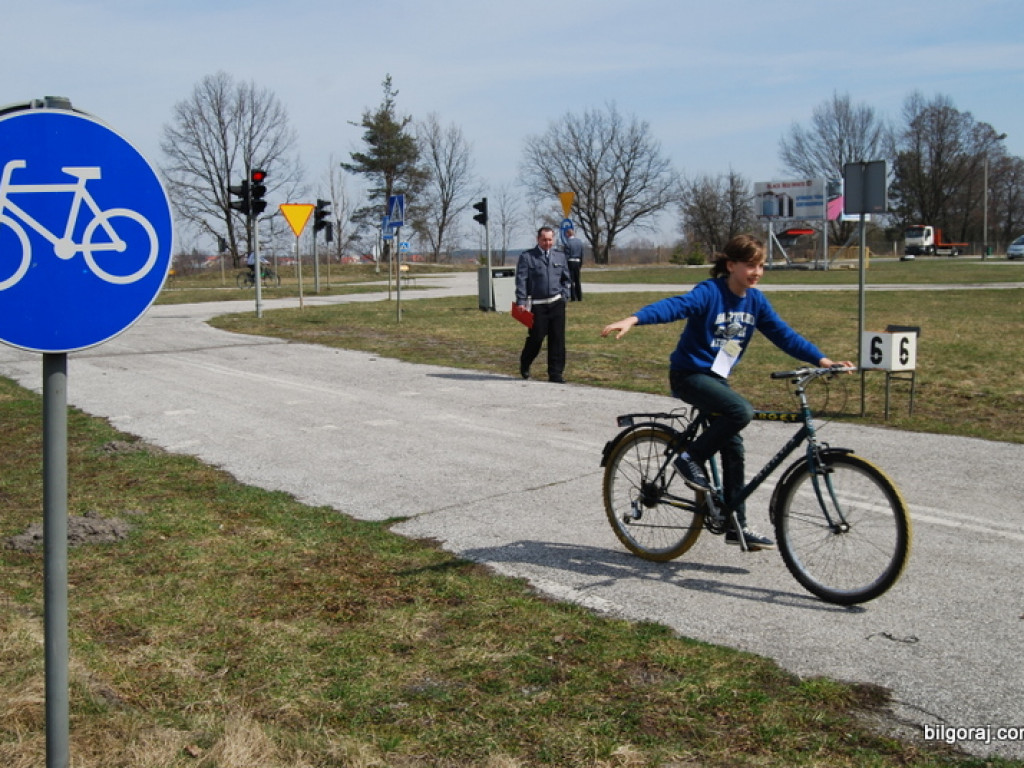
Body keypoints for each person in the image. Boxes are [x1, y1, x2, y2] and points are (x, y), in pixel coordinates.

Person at [601, 234, 852, 550]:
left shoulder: (755, 301)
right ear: (730, 265)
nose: (756, 272)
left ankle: (736, 525)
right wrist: (634, 319)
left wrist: (823, 360)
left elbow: (785, 336)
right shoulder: (711, 293)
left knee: (734, 447)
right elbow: (675, 306)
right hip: (689, 375)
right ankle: (689, 457)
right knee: (741, 411)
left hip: (716, 380)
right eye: (750, 265)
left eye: (760, 266)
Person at [515, 226, 572, 383]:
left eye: (550, 239)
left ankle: (555, 373)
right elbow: (522, 280)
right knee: (537, 337)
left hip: (556, 303)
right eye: (544, 240)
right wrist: (521, 301)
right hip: (538, 305)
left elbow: (566, 279)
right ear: (538, 240)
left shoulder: (560, 257)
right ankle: (525, 362)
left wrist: (564, 296)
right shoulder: (527, 257)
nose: (547, 243)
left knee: (557, 339)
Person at [562, 227, 585, 301]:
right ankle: (579, 296)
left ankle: (573, 296)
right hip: (578, 261)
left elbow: (566, 255)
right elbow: (582, 253)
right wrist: (581, 263)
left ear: (568, 234)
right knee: (577, 280)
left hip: (570, 261)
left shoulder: (568, 243)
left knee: (571, 280)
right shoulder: (579, 242)